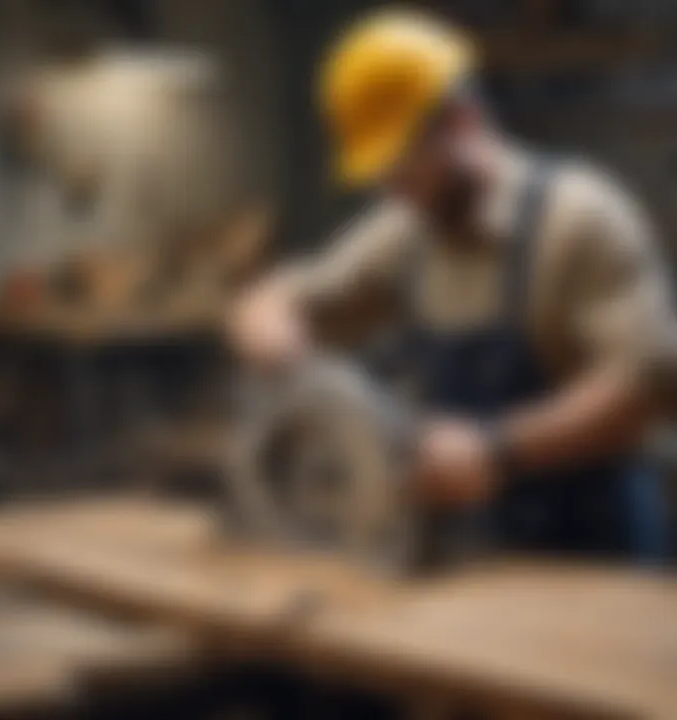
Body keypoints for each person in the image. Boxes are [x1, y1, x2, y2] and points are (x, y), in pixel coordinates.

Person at [228, 9, 674, 562]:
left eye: (398, 162)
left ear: (460, 125)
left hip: (594, 545)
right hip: (482, 549)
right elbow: (292, 295)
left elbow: (646, 388)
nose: (389, 186)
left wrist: (499, 451)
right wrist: (266, 315)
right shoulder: (409, 230)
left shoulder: (580, 219)